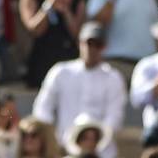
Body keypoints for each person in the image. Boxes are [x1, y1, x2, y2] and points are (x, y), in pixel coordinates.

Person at [32, 23, 126, 158]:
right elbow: (42, 108)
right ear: (79, 43)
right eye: (89, 43)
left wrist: (94, 144)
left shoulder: (113, 77)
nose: (92, 49)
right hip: (64, 150)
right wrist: (53, 139)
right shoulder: (60, 72)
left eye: (97, 45)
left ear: (104, 47)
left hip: (101, 153)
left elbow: (114, 118)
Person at [18, 0, 83, 87]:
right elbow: (34, 29)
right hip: (42, 60)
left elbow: (77, 34)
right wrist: (49, 3)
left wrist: (65, 8)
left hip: (69, 59)